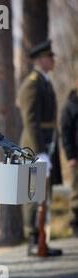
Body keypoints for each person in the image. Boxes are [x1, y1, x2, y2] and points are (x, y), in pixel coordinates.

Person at [18, 39, 63, 256]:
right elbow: (30, 120)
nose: (53, 60)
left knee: (45, 193)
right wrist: (39, 151)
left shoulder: (44, 82)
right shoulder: (32, 84)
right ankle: (33, 239)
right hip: (34, 146)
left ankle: (43, 237)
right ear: (40, 59)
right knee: (33, 193)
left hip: (46, 143)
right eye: (49, 56)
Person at [60, 74, 78, 237]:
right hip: (76, 156)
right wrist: (70, 155)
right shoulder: (70, 105)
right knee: (76, 193)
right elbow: (65, 133)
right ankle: (75, 225)